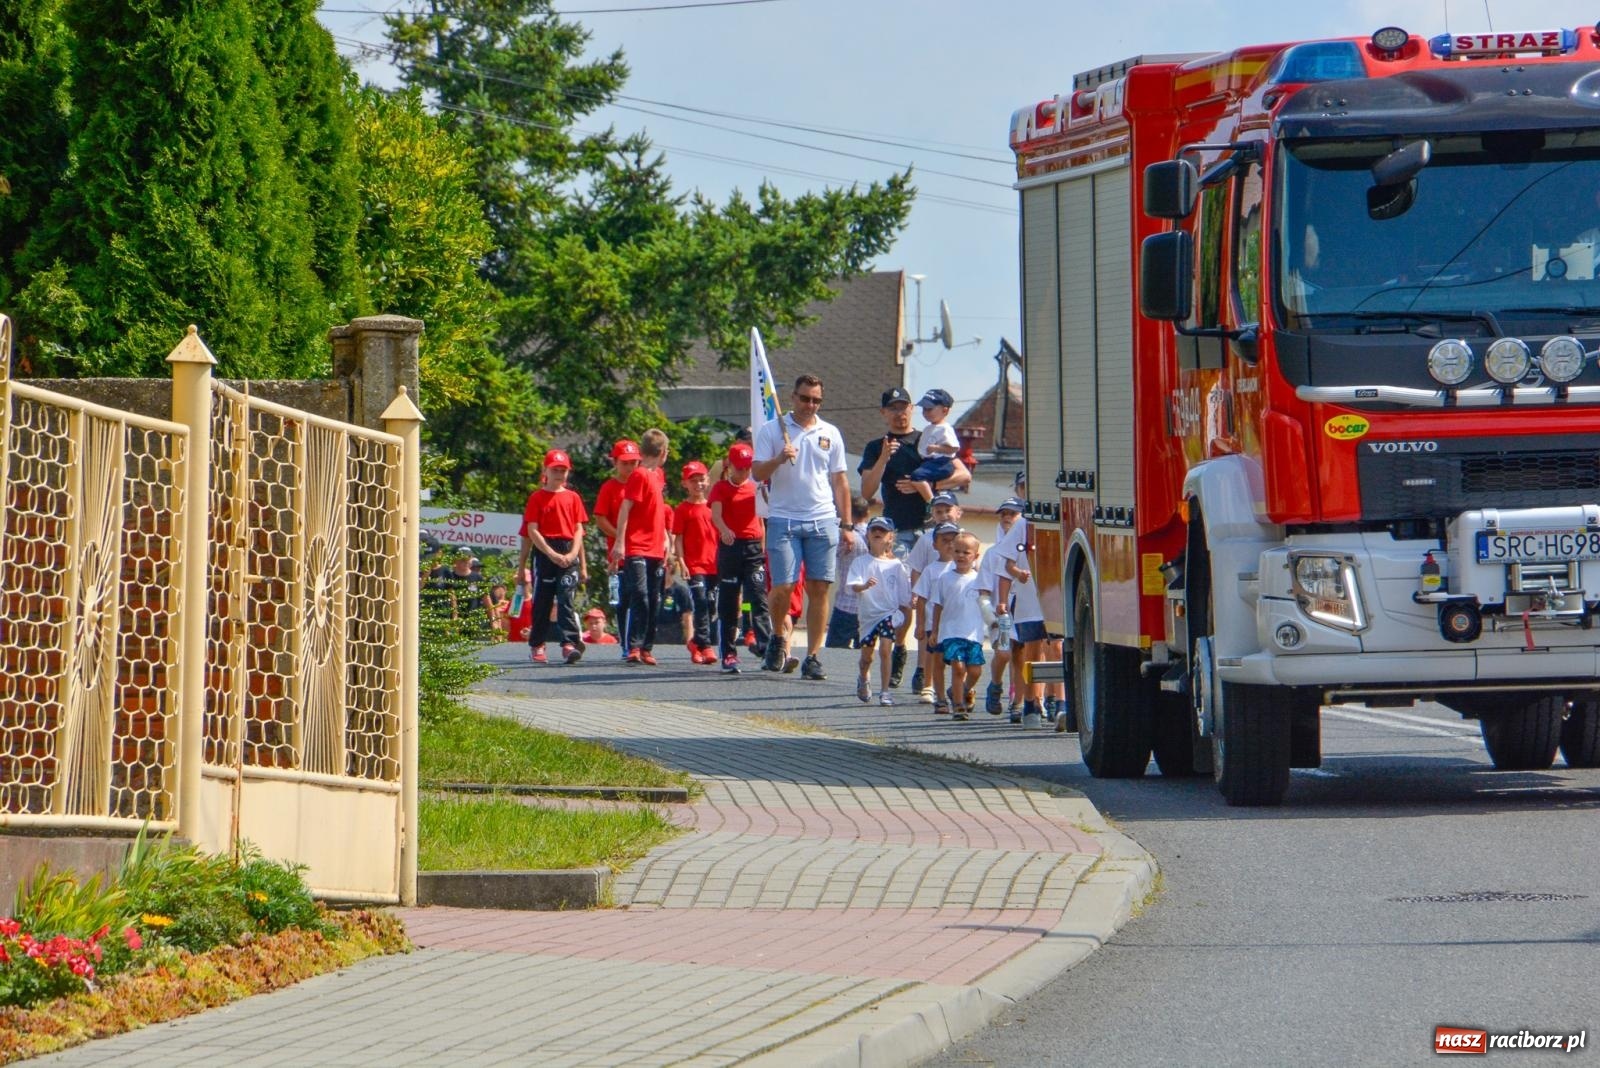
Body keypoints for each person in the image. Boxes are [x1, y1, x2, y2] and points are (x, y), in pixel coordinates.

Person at [858, 387, 971, 690]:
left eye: (904, 407)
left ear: (911, 409)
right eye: (892, 408)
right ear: (883, 413)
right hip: (898, 530)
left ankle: (921, 664)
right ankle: (900, 648)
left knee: (927, 599)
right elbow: (866, 492)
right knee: (903, 598)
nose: (900, 413)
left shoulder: (926, 438)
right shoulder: (875, 446)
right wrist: (883, 458)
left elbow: (963, 475)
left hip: (932, 530)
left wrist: (923, 482)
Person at [751, 374, 854, 680]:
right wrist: (779, 459)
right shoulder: (774, 430)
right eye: (805, 398)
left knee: (819, 588)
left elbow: (840, 480)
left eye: (816, 400)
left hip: (822, 518)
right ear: (793, 397)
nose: (810, 405)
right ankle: (779, 637)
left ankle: (813, 656)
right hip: (784, 518)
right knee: (782, 586)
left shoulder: (829, 432)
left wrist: (846, 523)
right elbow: (757, 473)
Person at [518, 449, 589, 665]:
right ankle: (537, 643)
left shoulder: (573, 497)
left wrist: (576, 557)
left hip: (568, 549)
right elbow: (531, 531)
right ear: (545, 470)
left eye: (563, 470)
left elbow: (579, 530)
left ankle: (569, 643)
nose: (559, 474)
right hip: (546, 550)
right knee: (543, 600)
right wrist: (546, 555)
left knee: (566, 598)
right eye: (555, 469)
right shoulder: (537, 498)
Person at [710, 441, 772, 674]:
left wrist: (763, 548)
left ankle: (767, 648)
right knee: (728, 602)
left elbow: (761, 520)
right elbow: (715, 514)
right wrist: (724, 529)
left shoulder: (756, 487)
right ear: (730, 466)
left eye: (748, 467)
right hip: (731, 548)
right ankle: (728, 653)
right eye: (740, 467)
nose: (744, 472)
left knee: (758, 597)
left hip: (753, 548)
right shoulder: (721, 488)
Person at [612, 428, 671, 665]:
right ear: (663, 452)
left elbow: (658, 510)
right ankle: (633, 646)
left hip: (656, 546)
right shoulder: (639, 475)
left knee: (655, 598)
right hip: (637, 545)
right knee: (640, 595)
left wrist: (666, 537)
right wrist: (619, 541)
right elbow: (626, 507)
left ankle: (646, 647)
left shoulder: (658, 475)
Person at [847, 516, 912, 706]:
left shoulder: (896, 565)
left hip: (888, 614)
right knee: (867, 657)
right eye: (874, 530)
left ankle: (885, 691)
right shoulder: (861, 562)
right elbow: (853, 586)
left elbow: (903, 594)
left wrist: (911, 602)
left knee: (885, 648)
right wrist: (864, 585)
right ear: (867, 534)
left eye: (882, 531)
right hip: (868, 616)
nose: (877, 533)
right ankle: (863, 676)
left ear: (890, 537)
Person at [905, 493, 962, 701]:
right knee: (931, 646)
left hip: (957, 611)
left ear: (958, 511)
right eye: (939, 511)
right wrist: (914, 592)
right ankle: (926, 679)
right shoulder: (926, 539)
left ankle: (958, 687)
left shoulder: (964, 540)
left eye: (948, 510)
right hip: (931, 605)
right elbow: (917, 568)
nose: (944, 515)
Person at [931, 531, 987, 721]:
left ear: (975, 556)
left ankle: (961, 690)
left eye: (966, 552)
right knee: (958, 668)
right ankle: (958, 705)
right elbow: (938, 606)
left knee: (975, 671)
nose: (961, 556)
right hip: (951, 631)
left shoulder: (979, 580)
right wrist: (935, 630)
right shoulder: (945, 578)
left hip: (973, 633)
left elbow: (987, 605)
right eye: (957, 552)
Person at [593, 439, 641, 658]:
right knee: (623, 599)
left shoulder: (643, 483)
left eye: (633, 463)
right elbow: (600, 519)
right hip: (619, 554)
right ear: (616, 463)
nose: (630, 468)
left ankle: (639, 644)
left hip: (642, 549)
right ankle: (626, 644)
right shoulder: (609, 488)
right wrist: (620, 536)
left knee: (641, 596)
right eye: (625, 463)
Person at [977, 497, 1025, 715]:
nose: (1007, 518)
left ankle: (1017, 701)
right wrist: (990, 615)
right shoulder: (992, 554)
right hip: (1001, 614)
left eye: (1012, 514)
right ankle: (995, 685)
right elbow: (984, 591)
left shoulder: (1027, 551)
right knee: (1004, 654)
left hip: (1023, 611)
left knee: (1021, 656)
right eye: (1003, 514)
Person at [674, 460, 720, 664]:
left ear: (707, 481)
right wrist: (682, 562)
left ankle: (696, 642)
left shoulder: (713, 506)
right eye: (693, 481)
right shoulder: (683, 509)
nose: (698, 484)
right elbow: (679, 538)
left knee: (710, 605)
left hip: (715, 564)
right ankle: (706, 645)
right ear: (685, 483)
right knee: (700, 602)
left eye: (701, 480)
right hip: (695, 565)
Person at [913, 521, 960, 713]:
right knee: (934, 657)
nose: (949, 544)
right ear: (935, 545)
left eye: (953, 540)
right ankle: (928, 685)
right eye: (944, 540)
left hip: (957, 623)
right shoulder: (931, 570)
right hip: (934, 622)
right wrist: (920, 624)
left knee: (959, 659)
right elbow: (922, 599)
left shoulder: (963, 568)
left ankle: (959, 688)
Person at [825, 494, 872, 650]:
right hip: (870, 608)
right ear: (867, 514)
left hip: (846, 605)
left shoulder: (844, 537)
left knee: (834, 651)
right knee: (865, 656)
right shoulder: (876, 536)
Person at [906, 388, 960, 501]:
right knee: (914, 475)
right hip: (929, 462)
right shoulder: (928, 428)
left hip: (941, 463)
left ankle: (931, 502)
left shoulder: (945, 428)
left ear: (945, 411)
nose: (925, 413)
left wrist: (937, 448)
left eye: (929, 409)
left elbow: (954, 448)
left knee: (917, 476)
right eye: (924, 409)